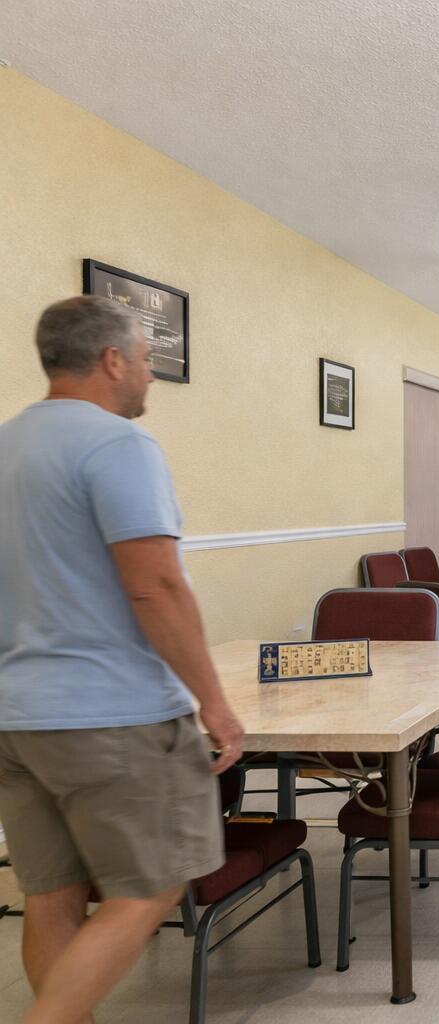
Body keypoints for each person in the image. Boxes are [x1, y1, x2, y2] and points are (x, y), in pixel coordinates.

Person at [0, 296, 245, 1024]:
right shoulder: (116, 444)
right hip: (110, 715)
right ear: (112, 361)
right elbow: (156, 585)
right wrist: (215, 703)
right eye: (144, 361)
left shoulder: (7, 446)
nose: (148, 378)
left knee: (52, 896)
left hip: (19, 719)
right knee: (147, 889)